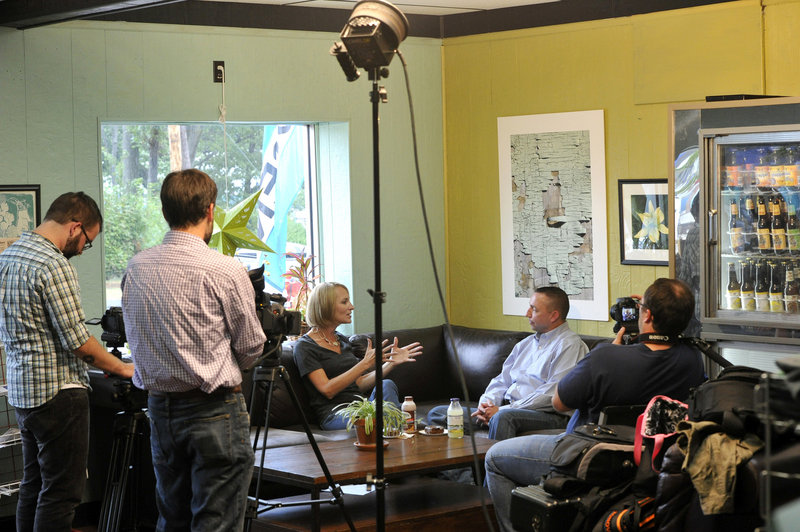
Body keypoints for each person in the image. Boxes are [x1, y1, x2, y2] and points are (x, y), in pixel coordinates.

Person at [485, 278, 707, 532]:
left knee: (494, 458)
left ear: (648, 316)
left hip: (588, 457)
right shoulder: (693, 359)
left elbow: (559, 402)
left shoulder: (606, 356)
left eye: (641, 307)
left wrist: (611, 352)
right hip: (652, 463)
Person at [121, 169, 267, 531]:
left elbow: (135, 334)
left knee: (172, 517)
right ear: (211, 210)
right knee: (215, 521)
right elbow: (251, 348)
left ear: (165, 210)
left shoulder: (136, 268)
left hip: (160, 409)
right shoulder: (225, 270)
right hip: (214, 410)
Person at [0, 192, 134, 532]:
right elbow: (80, 344)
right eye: (88, 240)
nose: (82, 248)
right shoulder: (53, 264)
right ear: (75, 227)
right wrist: (123, 368)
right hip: (58, 395)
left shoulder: (9, 254)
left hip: (23, 393)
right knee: (61, 494)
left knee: (34, 486)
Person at [427, 286, 588, 440]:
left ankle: (491, 468)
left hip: (547, 415)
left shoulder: (570, 345)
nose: (527, 313)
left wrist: (501, 410)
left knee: (503, 418)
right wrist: (486, 404)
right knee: (439, 413)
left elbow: (550, 396)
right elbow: (502, 380)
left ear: (553, 316)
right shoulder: (525, 344)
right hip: (508, 410)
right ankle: (464, 470)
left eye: (534, 309)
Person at [294, 282, 423, 430]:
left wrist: (391, 363)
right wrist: (364, 364)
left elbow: (358, 384)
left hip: (363, 409)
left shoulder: (341, 340)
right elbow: (327, 390)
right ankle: (396, 430)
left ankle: (391, 429)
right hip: (336, 415)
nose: (352, 306)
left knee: (386, 385)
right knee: (376, 419)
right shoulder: (305, 346)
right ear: (326, 306)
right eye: (344, 302)